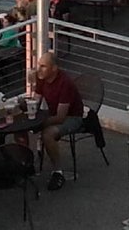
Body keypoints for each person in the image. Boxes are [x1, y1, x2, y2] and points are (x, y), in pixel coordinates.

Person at [33, 52, 85, 192]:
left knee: (48, 134)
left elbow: (61, 117)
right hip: (53, 114)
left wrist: (39, 124)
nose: (39, 69)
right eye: (39, 65)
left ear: (54, 68)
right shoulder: (41, 77)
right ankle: (26, 165)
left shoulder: (65, 83)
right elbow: (35, 101)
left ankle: (58, 172)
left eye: (43, 66)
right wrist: (27, 110)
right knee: (21, 126)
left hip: (73, 117)